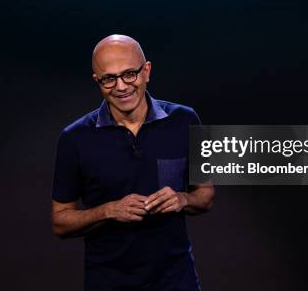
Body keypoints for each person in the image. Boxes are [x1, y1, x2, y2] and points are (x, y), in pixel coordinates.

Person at [51, 34, 214, 291]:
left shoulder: (186, 120)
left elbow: (205, 194)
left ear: (146, 71)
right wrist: (108, 211)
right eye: (109, 78)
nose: (121, 86)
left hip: (176, 279)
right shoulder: (74, 138)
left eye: (130, 74)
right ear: (97, 81)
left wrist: (183, 199)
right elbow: (60, 221)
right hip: (108, 282)